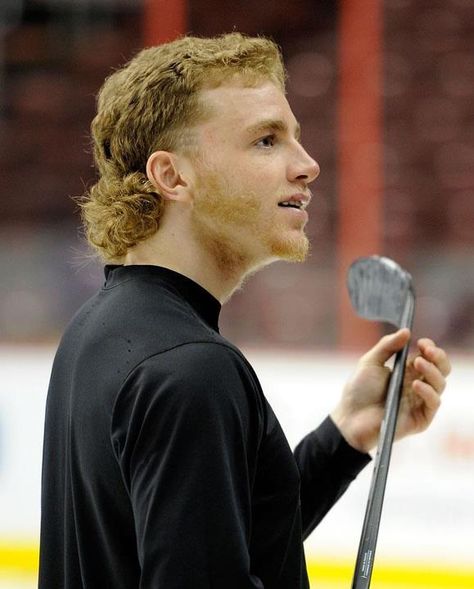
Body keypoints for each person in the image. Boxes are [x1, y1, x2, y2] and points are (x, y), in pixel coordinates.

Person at [39, 33, 451, 589]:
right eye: (266, 141)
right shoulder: (191, 369)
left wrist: (349, 431)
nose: (307, 165)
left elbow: (223, 540)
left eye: (295, 139)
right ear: (173, 177)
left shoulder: (101, 329)